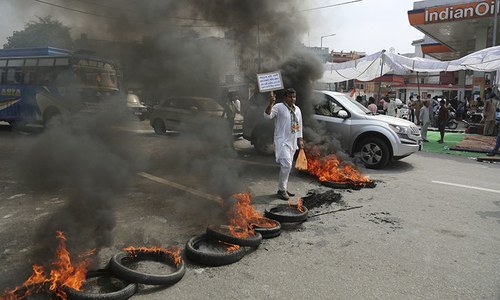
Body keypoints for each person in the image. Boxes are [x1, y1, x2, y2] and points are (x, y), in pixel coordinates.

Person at [264, 88, 304, 200]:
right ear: (285, 97)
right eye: (290, 97)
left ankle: (283, 189)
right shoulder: (279, 107)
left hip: (292, 142)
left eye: (294, 97)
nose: (293, 99)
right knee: (287, 165)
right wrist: (271, 104)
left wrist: (300, 139)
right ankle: (282, 190)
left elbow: (299, 125)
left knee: (287, 166)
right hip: (282, 141)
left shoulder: (297, 109)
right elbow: (267, 116)